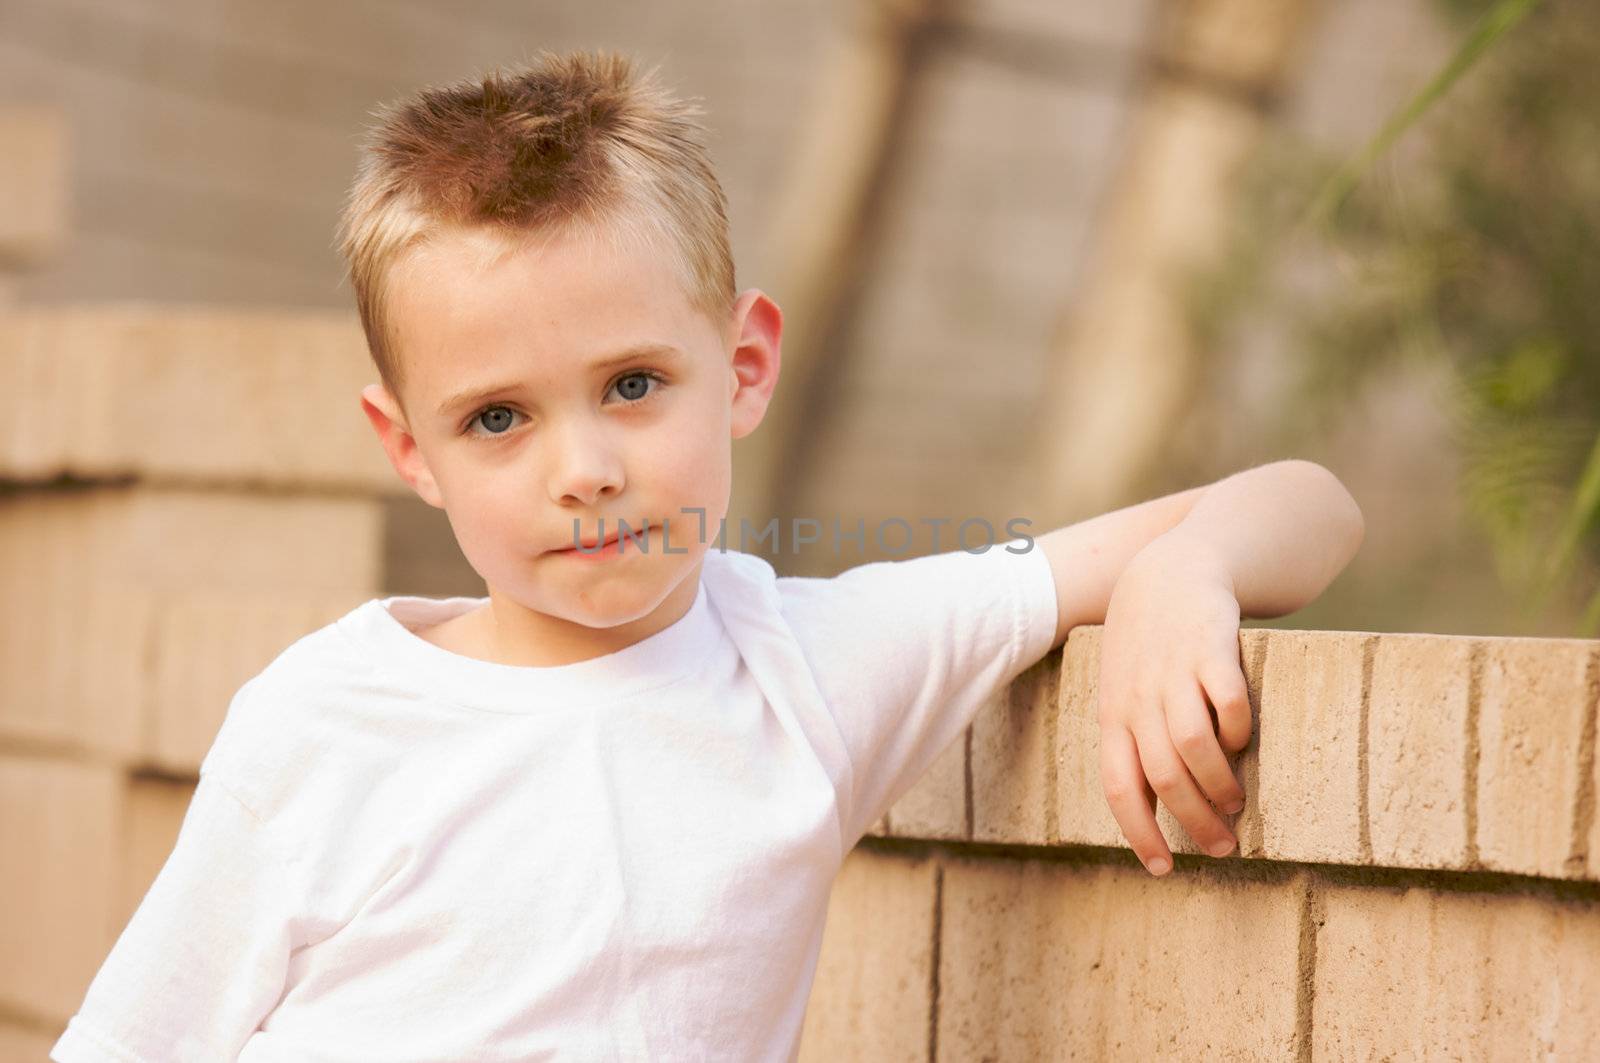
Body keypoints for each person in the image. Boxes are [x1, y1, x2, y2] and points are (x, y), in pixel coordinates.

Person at [49, 49, 1364, 1062]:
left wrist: (1178, 577)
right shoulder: (330, 724)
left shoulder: (805, 668)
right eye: (497, 418)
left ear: (742, 367)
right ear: (410, 450)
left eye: (631, 384)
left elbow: (1308, 502)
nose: (585, 469)